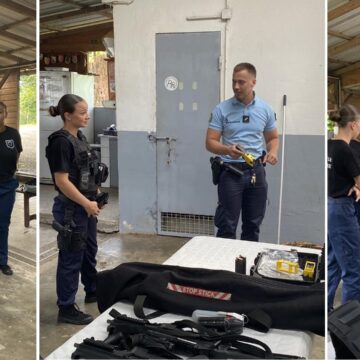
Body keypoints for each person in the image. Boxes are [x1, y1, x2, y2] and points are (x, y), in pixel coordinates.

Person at [46, 94, 107, 325]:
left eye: (87, 111)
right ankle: (66, 307)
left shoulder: (79, 137)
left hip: (86, 206)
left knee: (89, 250)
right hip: (72, 209)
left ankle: (92, 290)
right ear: (67, 115)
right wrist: (85, 203)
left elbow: (87, 171)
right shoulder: (60, 142)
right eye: (82, 113)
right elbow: (62, 181)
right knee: (71, 256)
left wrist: (96, 193)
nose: (87, 116)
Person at [206, 63, 279, 241]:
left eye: (241, 82)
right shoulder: (221, 110)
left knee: (253, 225)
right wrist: (227, 149)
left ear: (253, 82)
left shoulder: (265, 109)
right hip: (230, 172)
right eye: (233, 82)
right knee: (227, 226)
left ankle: (246, 267)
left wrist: (273, 151)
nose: (236, 86)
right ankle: (223, 267)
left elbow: (272, 138)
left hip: (256, 172)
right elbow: (210, 142)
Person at [328, 104, 360, 312]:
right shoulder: (345, 149)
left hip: (333, 206)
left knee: (335, 263)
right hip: (342, 211)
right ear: (353, 124)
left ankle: (328, 308)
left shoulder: (330, 144)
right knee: (354, 271)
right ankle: (350, 324)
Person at [0, 101, 22, 276]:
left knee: (3, 225)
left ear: (5, 114)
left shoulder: (13, 134)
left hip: (7, 186)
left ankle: (2, 261)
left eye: (0, 112)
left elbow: (16, 156)